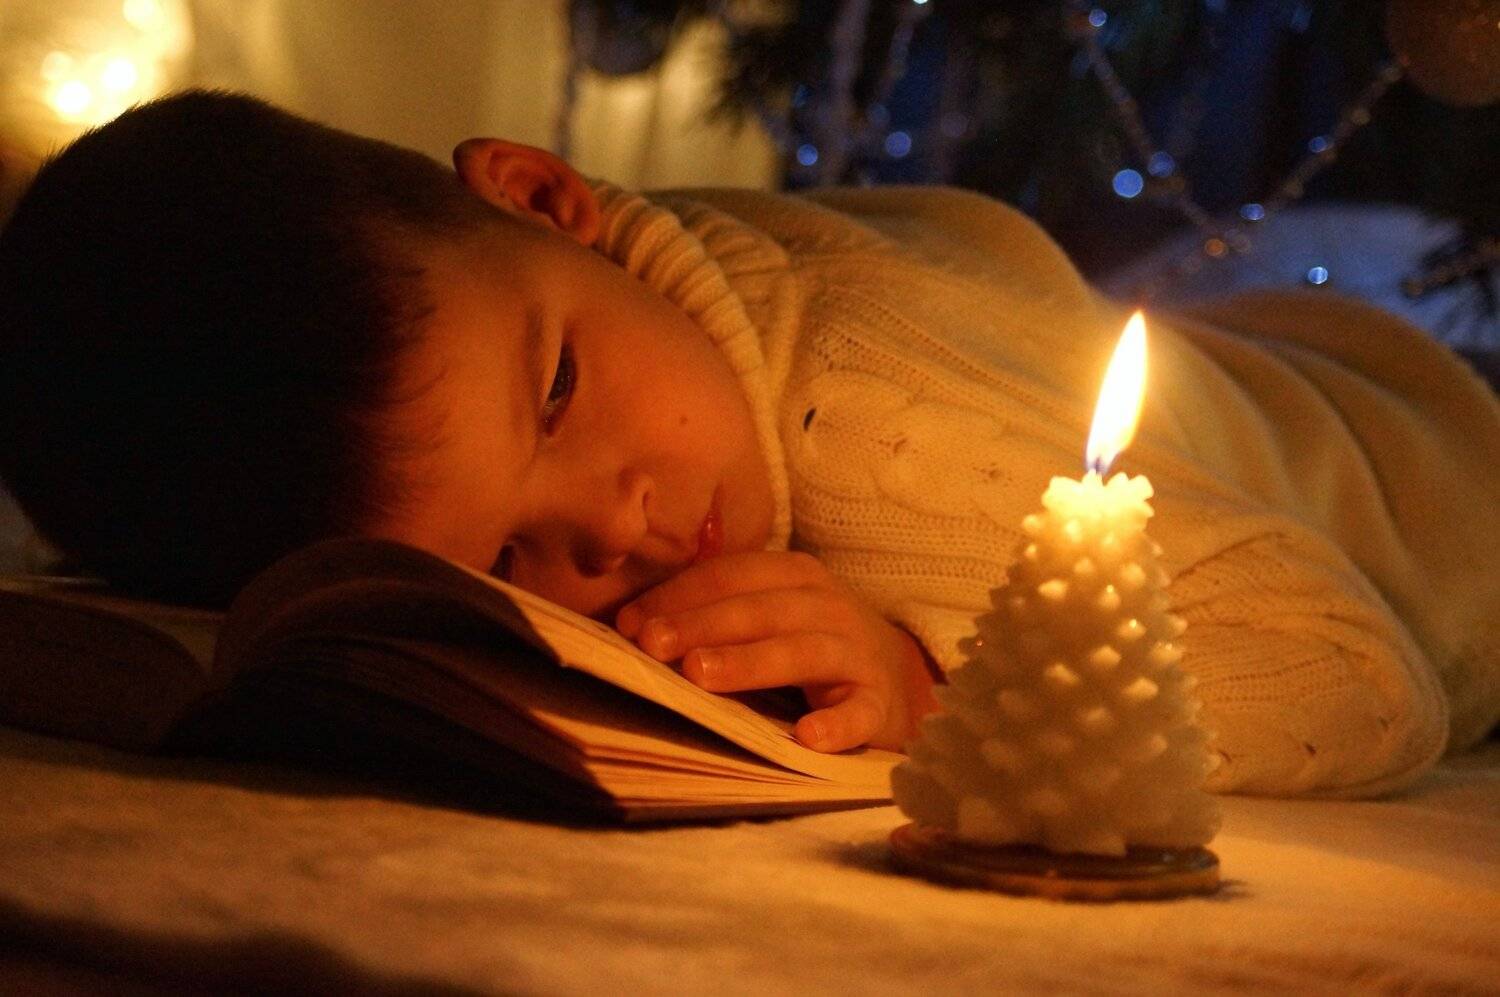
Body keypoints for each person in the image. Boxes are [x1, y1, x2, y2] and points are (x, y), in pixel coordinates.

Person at [0, 91, 1495, 797]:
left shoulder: (878, 421)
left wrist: (937, 687)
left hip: (1447, 499)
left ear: (546, 196)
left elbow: (1366, 681)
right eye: (506, 559)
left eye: (557, 393)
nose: (615, 528)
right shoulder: (622, 289)